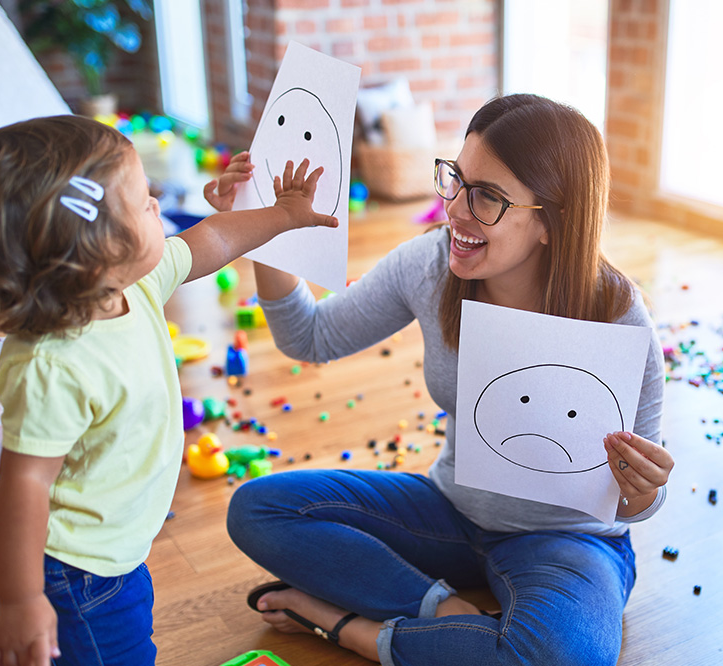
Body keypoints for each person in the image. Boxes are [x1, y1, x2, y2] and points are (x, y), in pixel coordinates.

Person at [209, 94, 674, 665]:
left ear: (553, 221)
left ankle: (344, 625)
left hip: (568, 541)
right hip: (449, 511)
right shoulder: (429, 267)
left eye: (487, 198)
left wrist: (643, 491)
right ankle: (441, 613)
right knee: (257, 509)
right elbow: (311, 337)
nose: (453, 210)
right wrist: (265, 225)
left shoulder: (618, 315)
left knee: (562, 658)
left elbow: (636, 503)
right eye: (456, 179)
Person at [0, 114, 337, 666]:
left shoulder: (134, 284)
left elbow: (215, 236)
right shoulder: (53, 364)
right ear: (93, 250)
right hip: (69, 573)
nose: (157, 202)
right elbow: (23, 484)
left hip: (112, 555)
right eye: (143, 200)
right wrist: (21, 599)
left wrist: (284, 214)